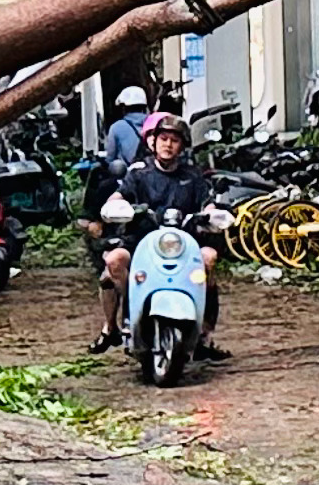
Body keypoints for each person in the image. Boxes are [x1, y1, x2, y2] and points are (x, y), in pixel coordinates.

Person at [93, 110, 227, 358]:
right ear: (153, 142)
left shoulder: (193, 175)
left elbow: (207, 203)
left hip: (184, 245)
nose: (168, 144)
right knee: (114, 261)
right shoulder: (139, 172)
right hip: (140, 242)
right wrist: (116, 205)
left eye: (174, 140)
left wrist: (212, 215)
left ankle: (205, 333)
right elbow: (120, 194)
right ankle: (115, 323)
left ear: (182, 146)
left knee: (208, 257)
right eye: (163, 138)